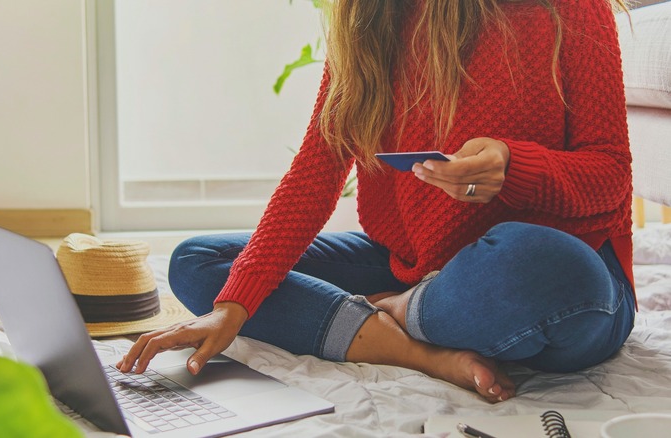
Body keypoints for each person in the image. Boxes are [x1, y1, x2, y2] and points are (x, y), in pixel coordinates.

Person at [117, 0, 634, 403]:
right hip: (417, 269)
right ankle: (416, 349)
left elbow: (611, 175)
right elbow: (314, 175)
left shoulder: (566, 9)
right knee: (200, 264)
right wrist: (232, 308)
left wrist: (512, 168)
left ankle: (406, 310)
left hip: (548, 275)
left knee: (540, 264)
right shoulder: (368, 22)